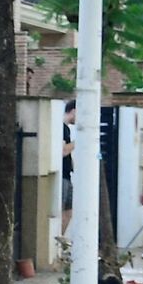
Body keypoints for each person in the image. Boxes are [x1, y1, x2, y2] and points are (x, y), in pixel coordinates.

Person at [60, 99, 76, 233]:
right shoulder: (62, 128)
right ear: (74, 111)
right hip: (62, 175)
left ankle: (59, 240)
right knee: (62, 209)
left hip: (67, 174)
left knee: (69, 211)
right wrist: (79, 141)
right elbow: (63, 150)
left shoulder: (67, 129)